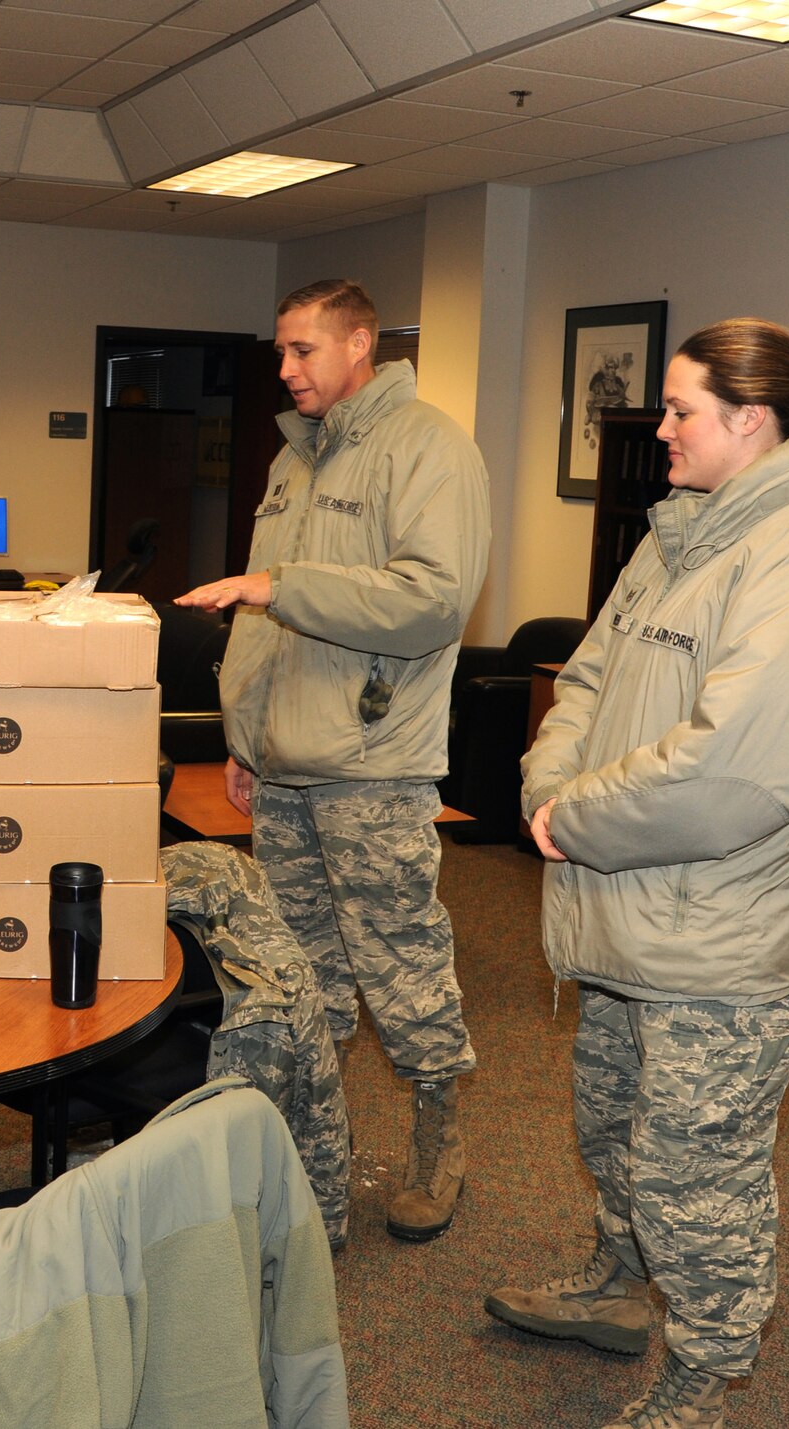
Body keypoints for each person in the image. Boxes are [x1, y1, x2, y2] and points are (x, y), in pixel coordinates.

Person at [489, 319, 789, 1429]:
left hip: (716, 949)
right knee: (611, 1130)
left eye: (678, 410)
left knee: (694, 1178)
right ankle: (617, 1288)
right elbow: (580, 679)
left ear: (748, 420)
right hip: (622, 909)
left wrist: (572, 817)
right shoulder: (675, 537)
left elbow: (733, 773)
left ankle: (703, 1373)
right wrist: (543, 787)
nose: (656, 429)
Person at [177, 277, 489, 1244]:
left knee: (399, 963)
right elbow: (266, 624)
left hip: (372, 764)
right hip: (286, 762)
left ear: (360, 344)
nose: (285, 368)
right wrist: (245, 737)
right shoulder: (293, 459)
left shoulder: (429, 448)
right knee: (298, 972)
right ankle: (316, 1150)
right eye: (281, 351)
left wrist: (285, 582)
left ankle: (441, 1135)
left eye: (302, 350)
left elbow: (434, 600)